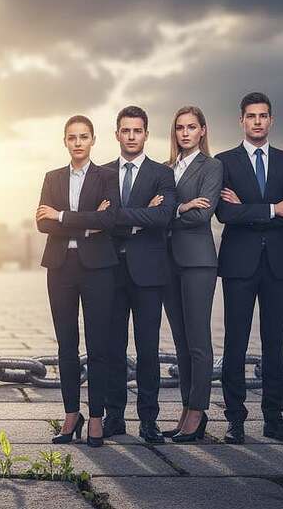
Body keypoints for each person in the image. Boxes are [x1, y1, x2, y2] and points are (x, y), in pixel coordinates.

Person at [216, 91, 283, 444]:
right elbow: (225, 214)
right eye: (251, 116)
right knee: (235, 343)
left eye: (263, 115)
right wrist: (272, 209)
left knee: (275, 343)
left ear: (271, 120)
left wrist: (249, 209)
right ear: (241, 120)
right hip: (239, 264)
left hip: (279, 264)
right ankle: (235, 419)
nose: (257, 121)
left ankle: (274, 418)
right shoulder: (225, 162)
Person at [35, 115, 119, 447]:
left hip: (98, 268)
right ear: (65, 141)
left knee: (99, 346)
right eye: (72, 137)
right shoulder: (52, 178)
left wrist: (62, 217)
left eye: (84, 136)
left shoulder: (107, 177)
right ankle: (72, 414)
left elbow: (109, 219)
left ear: (93, 140)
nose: (78, 142)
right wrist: (86, 223)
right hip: (60, 267)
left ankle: (95, 417)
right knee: (66, 346)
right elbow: (43, 224)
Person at [102, 106, 177, 444]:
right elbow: (98, 218)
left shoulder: (162, 173)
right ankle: (114, 418)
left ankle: (149, 420)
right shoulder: (101, 173)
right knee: (113, 349)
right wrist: (142, 213)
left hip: (149, 274)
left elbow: (163, 217)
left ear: (146, 134)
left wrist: (120, 215)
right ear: (117, 134)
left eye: (137, 131)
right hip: (111, 272)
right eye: (125, 130)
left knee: (148, 350)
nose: (131, 136)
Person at [161, 106, 221, 443]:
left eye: (192, 127)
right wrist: (182, 207)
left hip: (198, 261)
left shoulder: (212, 166)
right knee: (181, 342)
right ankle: (185, 409)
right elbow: (158, 212)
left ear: (202, 131)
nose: (185, 133)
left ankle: (198, 412)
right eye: (180, 127)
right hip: (169, 262)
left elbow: (203, 216)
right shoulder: (166, 168)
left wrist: (171, 213)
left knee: (198, 340)